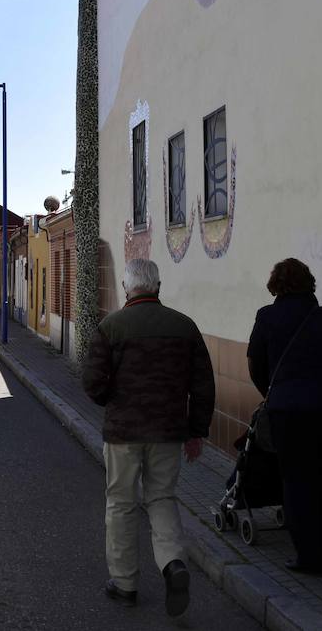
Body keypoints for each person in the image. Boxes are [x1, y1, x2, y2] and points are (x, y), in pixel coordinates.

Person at [82, 258, 215, 616]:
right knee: (161, 498)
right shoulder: (184, 327)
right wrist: (196, 431)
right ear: (157, 286)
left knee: (121, 503)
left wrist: (112, 400)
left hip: (124, 433)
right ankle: (173, 563)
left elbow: (91, 381)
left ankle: (124, 583)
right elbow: (203, 385)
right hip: (169, 432)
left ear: (127, 287)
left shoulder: (111, 326)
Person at [247, 258, 322, 575]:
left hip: (289, 410)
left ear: (275, 286)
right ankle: (318, 542)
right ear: (310, 283)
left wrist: (273, 389)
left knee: (295, 479)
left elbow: (255, 364)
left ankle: (309, 555)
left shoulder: (267, 317)